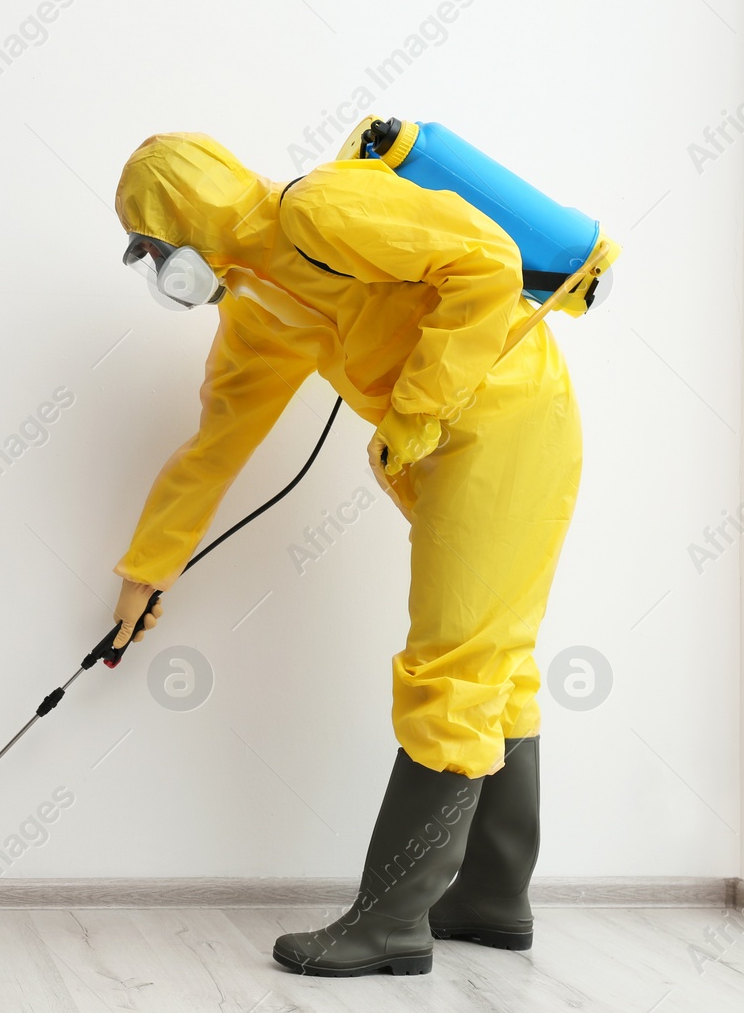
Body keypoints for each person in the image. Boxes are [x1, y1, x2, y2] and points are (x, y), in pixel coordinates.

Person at [110, 132, 579, 977]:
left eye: (150, 244)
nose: (154, 266)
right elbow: (213, 445)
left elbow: (486, 266)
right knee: (495, 664)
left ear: (184, 214)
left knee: (453, 668)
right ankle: (492, 896)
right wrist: (146, 574)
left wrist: (414, 410)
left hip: (506, 418)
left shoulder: (319, 209)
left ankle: (394, 920)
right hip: (454, 448)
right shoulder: (255, 312)